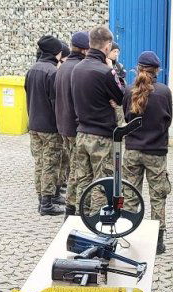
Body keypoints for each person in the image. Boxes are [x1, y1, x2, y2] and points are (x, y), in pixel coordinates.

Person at [69, 25, 124, 214]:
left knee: (83, 182)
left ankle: (80, 221)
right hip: (102, 137)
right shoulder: (106, 72)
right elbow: (121, 97)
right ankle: (95, 225)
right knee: (101, 184)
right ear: (107, 46)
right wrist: (112, 71)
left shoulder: (77, 69)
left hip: (82, 134)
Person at [122, 51, 172, 254]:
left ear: (138, 68)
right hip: (156, 151)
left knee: (130, 194)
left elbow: (127, 119)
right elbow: (167, 121)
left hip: (133, 150)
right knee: (158, 195)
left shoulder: (128, 91)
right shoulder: (164, 92)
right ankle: (158, 242)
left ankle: (128, 237)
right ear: (157, 70)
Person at [26, 35, 65, 216]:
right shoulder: (53, 72)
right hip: (49, 126)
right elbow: (56, 103)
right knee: (50, 163)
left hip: (34, 124)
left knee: (40, 163)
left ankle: (42, 198)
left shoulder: (32, 69)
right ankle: (47, 203)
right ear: (56, 53)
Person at [55, 31, 89, 218]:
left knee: (72, 168)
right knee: (78, 170)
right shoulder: (78, 68)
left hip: (63, 125)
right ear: (85, 49)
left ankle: (71, 208)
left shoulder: (63, 67)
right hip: (75, 127)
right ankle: (72, 210)